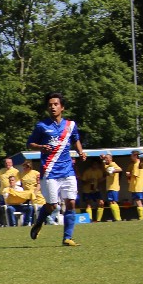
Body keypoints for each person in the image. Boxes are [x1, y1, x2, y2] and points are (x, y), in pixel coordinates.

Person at [27, 92, 87, 246]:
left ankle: (67, 238)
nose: (53, 107)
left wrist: (80, 152)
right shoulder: (41, 126)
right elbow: (30, 143)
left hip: (67, 170)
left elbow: (76, 139)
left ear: (62, 107)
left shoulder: (70, 125)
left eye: (56, 104)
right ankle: (39, 222)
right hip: (50, 171)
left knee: (71, 203)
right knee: (53, 206)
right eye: (50, 105)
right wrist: (41, 147)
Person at [100, 152, 123, 222]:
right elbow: (104, 168)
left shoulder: (113, 164)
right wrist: (103, 159)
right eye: (105, 158)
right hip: (109, 187)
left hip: (114, 186)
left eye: (107, 158)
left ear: (110, 159)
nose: (106, 159)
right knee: (111, 202)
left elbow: (120, 169)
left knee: (114, 202)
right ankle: (116, 218)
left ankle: (118, 218)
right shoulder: (108, 166)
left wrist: (113, 171)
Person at [126, 150, 143, 220]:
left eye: (132, 156)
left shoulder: (136, 164)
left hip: (137, 185)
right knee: (138, 200)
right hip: (140, 184)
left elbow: (134, 175)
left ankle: (141, 216)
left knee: (138, 200)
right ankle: (142, 216)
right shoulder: (141, 163)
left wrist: (128, 174)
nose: (130, 157)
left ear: (135, 156)